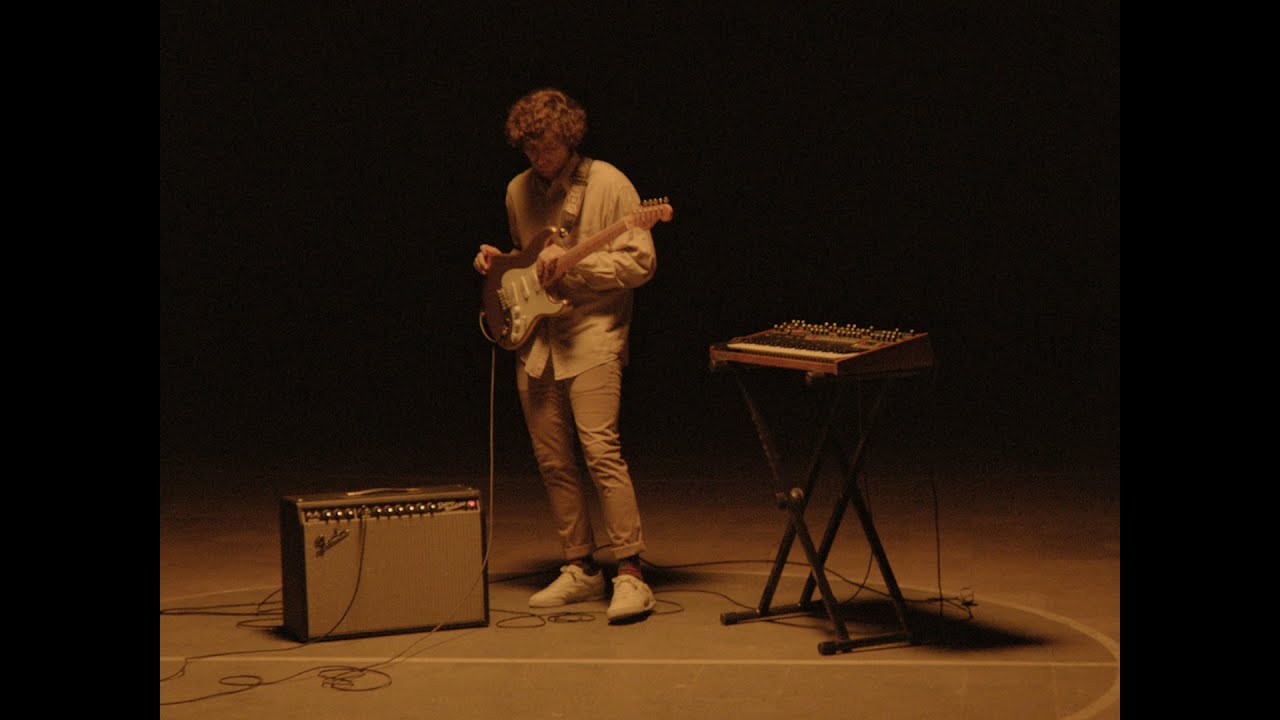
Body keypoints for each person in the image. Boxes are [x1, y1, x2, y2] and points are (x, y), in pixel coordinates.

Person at [472, 88, 659, 623]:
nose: (539, 156)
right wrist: (498, 263)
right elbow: (525, 259)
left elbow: (640, 263)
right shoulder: (517, 190)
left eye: (547, 145)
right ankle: (580, 565)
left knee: (601, 451)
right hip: (536, 340)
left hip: (593, 334)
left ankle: (631, 571)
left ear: (570, 137)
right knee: (552, 459)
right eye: (529, 147)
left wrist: (576, 266)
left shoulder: (609, 183)